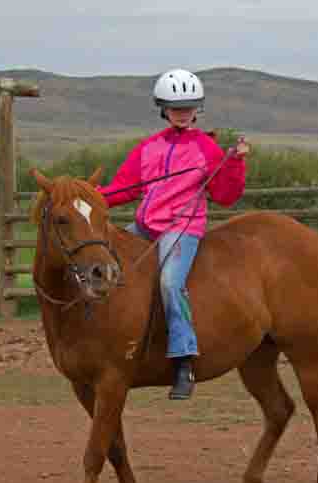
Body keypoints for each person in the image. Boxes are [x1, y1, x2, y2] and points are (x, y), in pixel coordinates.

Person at [98, 68, 250, 400]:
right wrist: (90, 196)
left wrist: (234, 163)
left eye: (188, 107)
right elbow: (123, 188)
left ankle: (184, 360)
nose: (182, 113)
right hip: (145, 224)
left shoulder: (207, 149)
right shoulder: (148, 147)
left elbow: (226, 195)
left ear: (198, 109)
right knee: (104, 260)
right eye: (175, 107)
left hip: (182, 228)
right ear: (162, 108)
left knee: (169, 282)